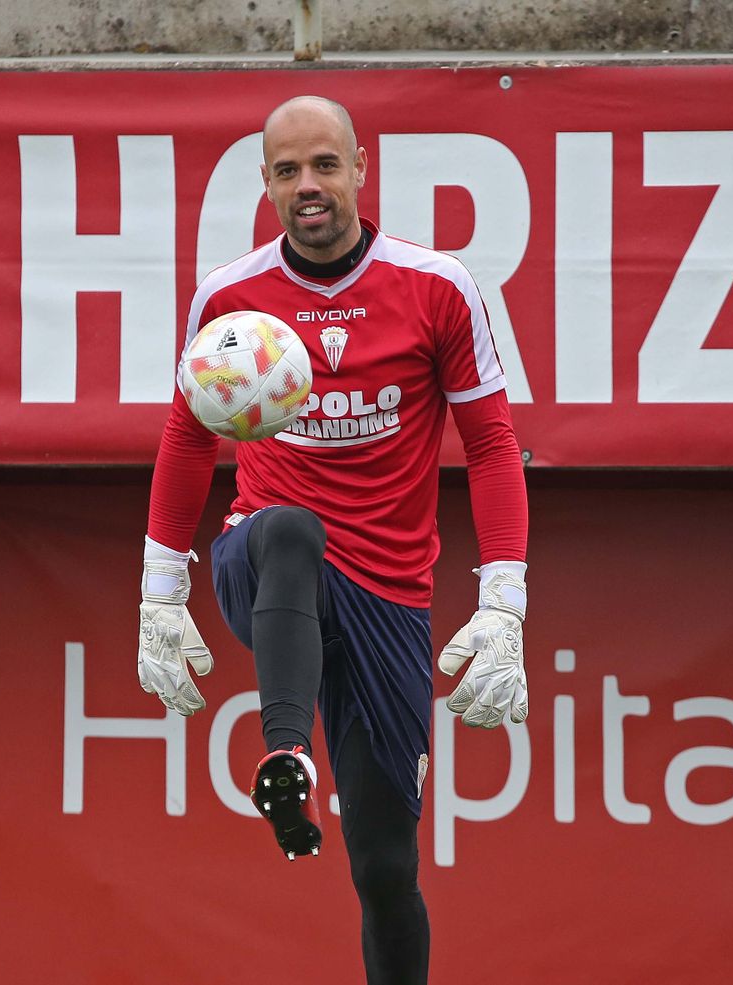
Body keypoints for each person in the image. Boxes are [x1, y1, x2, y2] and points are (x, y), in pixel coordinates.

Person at [136, 95, 530, 985]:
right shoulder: (230, 298)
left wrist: (503, 603)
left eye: (323, 165)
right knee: (287, 528)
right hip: (268, 562)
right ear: (266, 186)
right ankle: (286, 754)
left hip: (390, 593)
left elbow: (495, 444)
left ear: (360, 167)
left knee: (387, 869)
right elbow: (189, 436)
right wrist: (160, 592)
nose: (307, 186)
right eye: (286, 172)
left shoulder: (437, 287)